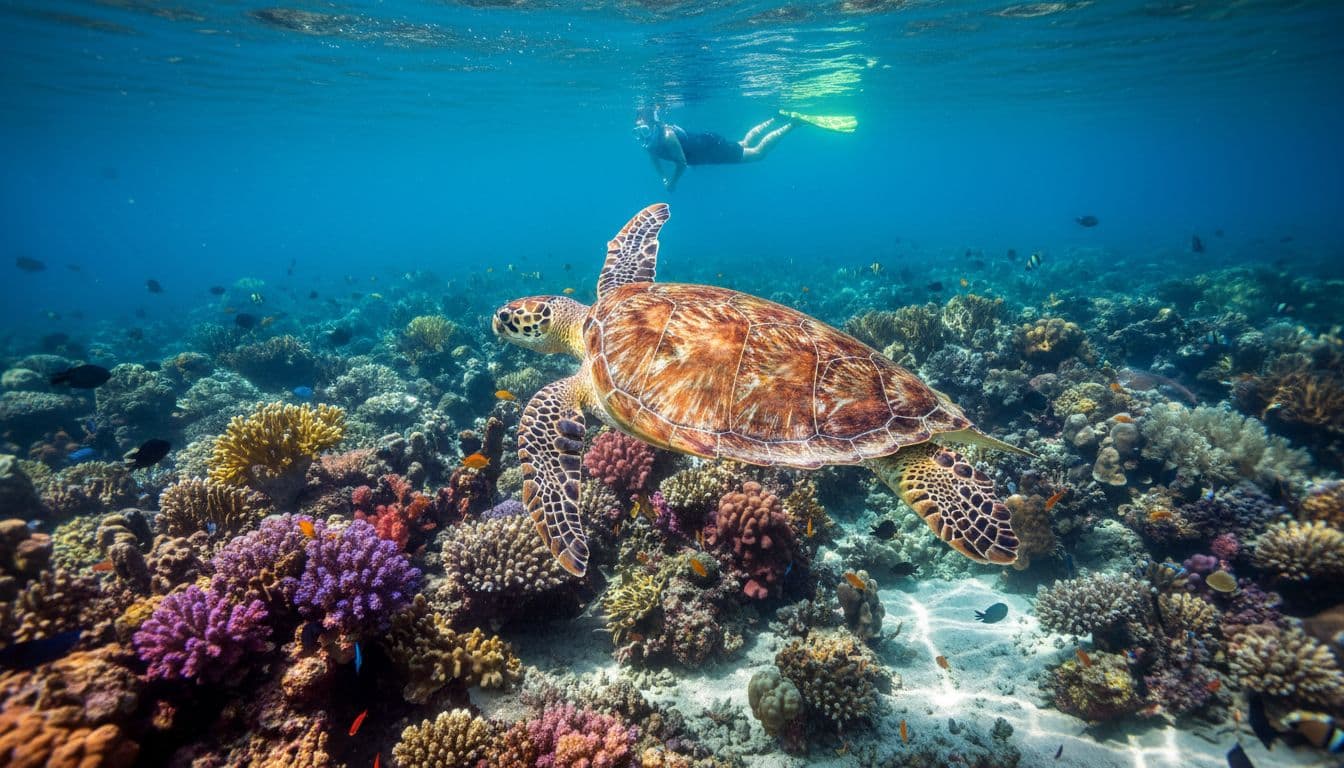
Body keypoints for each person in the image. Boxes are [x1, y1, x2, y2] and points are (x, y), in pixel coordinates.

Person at [633, 107, 815, 192]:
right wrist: (663, 176)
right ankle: (776, 119)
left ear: (653, 124)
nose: (641, 134)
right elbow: (653, 157)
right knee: (743, 143)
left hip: (711, 149)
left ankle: (792, 124)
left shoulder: (666, 136)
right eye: (638, 130)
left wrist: (672, 181)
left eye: (644, 129)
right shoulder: (648, 142)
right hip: (708, 144)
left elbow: (681, 162)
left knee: (758, 153)